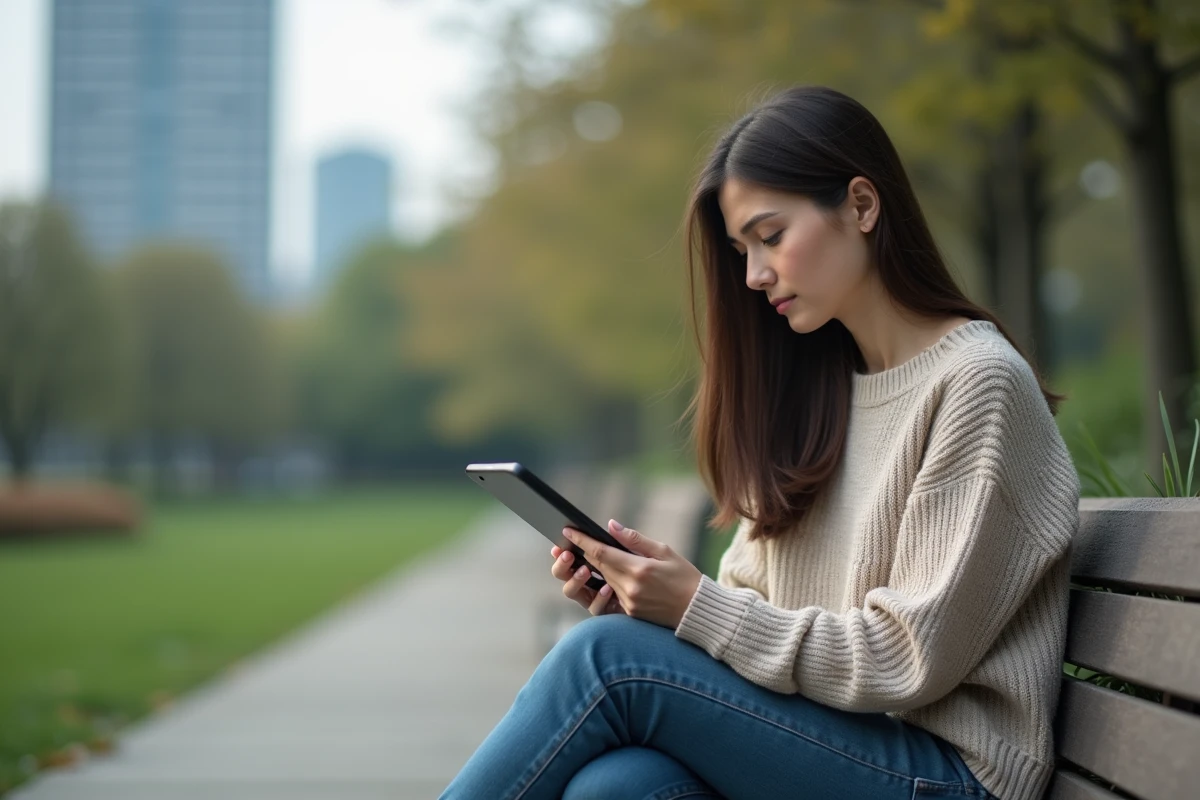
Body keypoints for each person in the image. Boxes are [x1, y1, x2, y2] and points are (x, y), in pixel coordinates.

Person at [439, 85, 1079, 800]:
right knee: (618, 786)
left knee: (604, 660)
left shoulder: (977, 384)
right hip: (837, 747)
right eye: (743, 249)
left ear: (862, 206)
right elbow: (749, 603)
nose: (753, 275)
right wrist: (656, 611)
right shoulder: (821, 392)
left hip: (952, 777)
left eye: (771, 236)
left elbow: (905, 658)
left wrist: (690, 612)